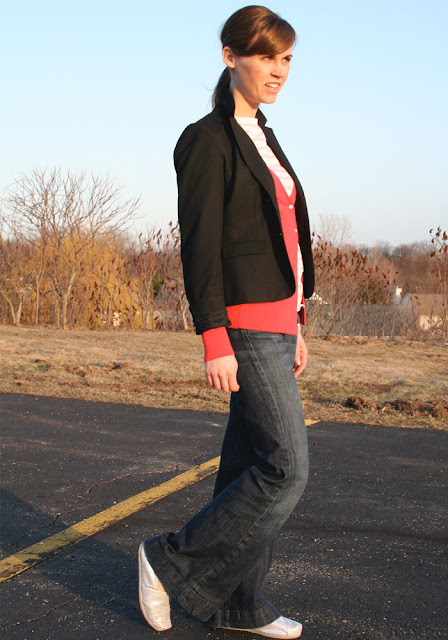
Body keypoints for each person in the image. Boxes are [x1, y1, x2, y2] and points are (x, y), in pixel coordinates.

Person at [138, 6, 315, 639]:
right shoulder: (207, 139)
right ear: (230, 56)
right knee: (285, 467)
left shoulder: (265, 135)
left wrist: (297, 321)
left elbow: (284, 239)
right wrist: (214, 335)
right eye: (266, 56)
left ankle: (240, 605)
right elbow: (201, 246)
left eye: (286, 58)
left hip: (278, 321)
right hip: (242, 322)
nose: (279, 70)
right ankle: (170, 560)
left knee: (247, 468)